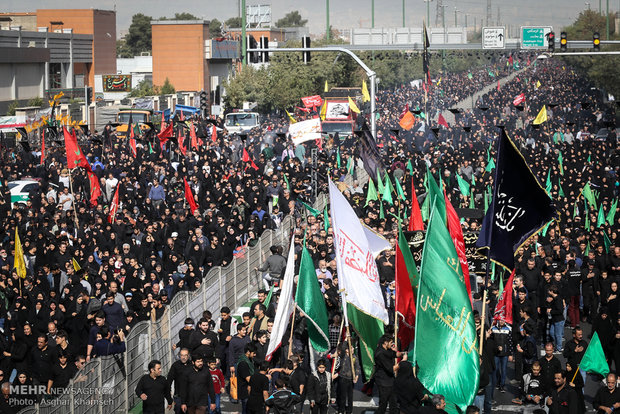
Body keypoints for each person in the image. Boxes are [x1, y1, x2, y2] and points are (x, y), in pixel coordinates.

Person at [374, 334, 401, 414]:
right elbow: (390, 369)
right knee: (383, 405)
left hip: (390, 381)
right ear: (385, 342)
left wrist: (402, 353)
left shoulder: (385, 349)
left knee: (393, 403)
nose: (392, 344)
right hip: (383, 383)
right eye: (391, 342)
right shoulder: (380, 354)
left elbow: (393, 354)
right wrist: (402, 363)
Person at [167, 348, 191, 414]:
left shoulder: (192, 365)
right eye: (182, 355)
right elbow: (169, 380)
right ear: (179, 356)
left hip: (190, 395)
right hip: (178, 395)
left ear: (188, 356)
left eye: (185, 355)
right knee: (178, 410)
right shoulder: (175, 365)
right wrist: (168, 391)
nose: (183, 357)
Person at [237, 342, 257, 414]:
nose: (255, 355)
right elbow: (248, 378)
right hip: (245, 390)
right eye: (253, 353)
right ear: (248, 352)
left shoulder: (250, 360)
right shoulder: (243, 363)